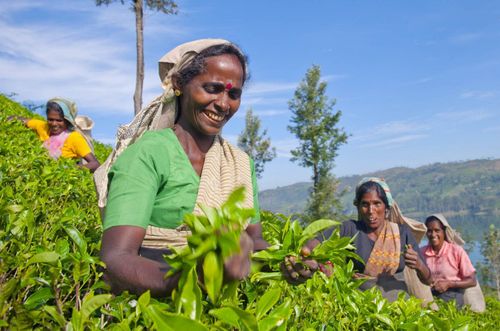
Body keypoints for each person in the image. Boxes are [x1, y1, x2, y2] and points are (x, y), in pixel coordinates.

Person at [98, 39, 268, 297]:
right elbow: (116, 258)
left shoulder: (240, 164)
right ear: (179, 84)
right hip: (150, 304)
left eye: (233, 94)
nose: (223, 104)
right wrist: (189, 278)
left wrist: (289, 261)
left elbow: (254, 241)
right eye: (212, 88)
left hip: (222, 308)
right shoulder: (150, 153)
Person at [283, 177, 432, 302]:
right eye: (365, 204)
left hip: (400, 307)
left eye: (376, 203)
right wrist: (305, 252)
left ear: (386, 207)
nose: (371, 211)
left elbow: (428, 279)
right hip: (361, 307)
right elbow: (317, 241)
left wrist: (418, 264)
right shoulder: (350, 229)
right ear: (359, 207)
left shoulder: (401, 233)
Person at [7, 98, 100, 172]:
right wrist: (11, 119)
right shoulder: (43, 126)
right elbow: (24, 120)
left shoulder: (74, 138)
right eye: (50, 119)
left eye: (59, 120)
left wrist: (72, 169)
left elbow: (95, 163)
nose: (54, 124)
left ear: (67, 121)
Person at [421, 214, 477, 307]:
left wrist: (449, 284)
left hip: (453, 296)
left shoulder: (456, 251)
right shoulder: (422, 252)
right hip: (429, 296)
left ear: (444, 232)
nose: (433, 234)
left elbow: (472, 281)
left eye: (437, 230)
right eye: (429, 231)